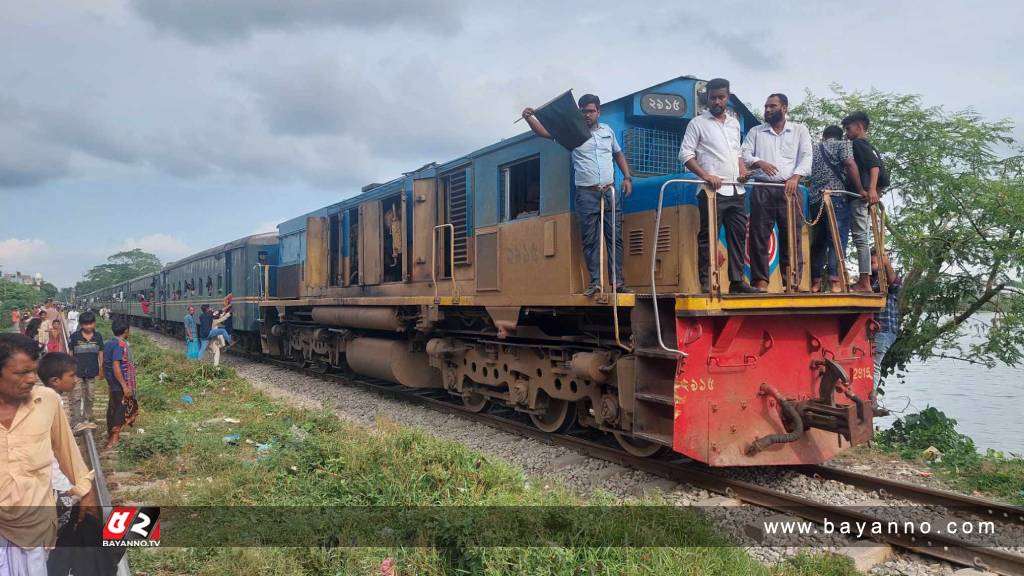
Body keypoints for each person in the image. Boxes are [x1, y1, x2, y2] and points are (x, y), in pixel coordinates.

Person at [0, 333, 98, 569]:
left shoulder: (47, 401)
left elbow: (66, 450)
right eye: (23, 372)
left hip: (36, 522)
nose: (33, 379)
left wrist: (86, 492)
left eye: (34, 371)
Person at [523, 93, 635, 296]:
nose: (587, 115)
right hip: (586, 194)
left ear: (598, 112)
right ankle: (595, 283)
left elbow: (618, 154)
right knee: (590, 240)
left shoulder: (608, 132)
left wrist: (627, 177)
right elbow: (543, 133)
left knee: (615, 238)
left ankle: (618, 283)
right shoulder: (571, 132)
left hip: (609, 191)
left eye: (591, 111)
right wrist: (529, 118)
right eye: (583, 111)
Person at [678, 77, 759, 294]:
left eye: (721, 97)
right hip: (712, 192)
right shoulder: (697, 123)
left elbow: (738, 153)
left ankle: (737, 281)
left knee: (739, 236)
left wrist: (742, 171)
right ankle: (706, 283)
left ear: (728, 98)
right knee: (708, 237)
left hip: (736, 190)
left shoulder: (734, 123)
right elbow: (685, 154)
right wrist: (706, 176)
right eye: (713, 98)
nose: (717, 102)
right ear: (707, 99)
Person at [741, 93, 813, 291]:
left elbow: (806, 157)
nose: (767, 110)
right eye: (766, 106)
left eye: (772, 106)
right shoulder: (756, 131)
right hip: (762, 187)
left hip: (789, 188)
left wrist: (795, 178)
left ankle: (791, 282)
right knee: (758, 235)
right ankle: (760, 282)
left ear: (784, 108)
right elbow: (744, 154)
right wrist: (759, 162)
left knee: (791, 236)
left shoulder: (799, 130)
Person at [809, 125, 861, 292]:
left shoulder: (813, 149)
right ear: (839, 136)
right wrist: (860, 189)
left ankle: (815, 282)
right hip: (836, 196)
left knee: (819, 242)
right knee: (837, 241)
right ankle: (835, 282)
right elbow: (850, 164)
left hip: (815, 199)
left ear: (824, 136)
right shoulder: (842, 144)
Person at [842, 110, 883, 292]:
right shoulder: (870, 146)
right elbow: (884, 174)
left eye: (848, 128)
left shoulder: (858, 144)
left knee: (860, 238)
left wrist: (871, 190)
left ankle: (864, 281)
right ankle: (864, 280)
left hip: (859, 197)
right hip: (865, 197)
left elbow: (874, 167)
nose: (847, 133)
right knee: (862, 237)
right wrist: (877, 191)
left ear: (859, 127)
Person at [102, 319, 139, 449]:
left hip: (112, 381)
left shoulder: (108, 344)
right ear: (126, 331)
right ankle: (114, 439)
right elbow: (116, 365)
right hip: (120, 382)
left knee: (113, 407)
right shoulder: (120, 345)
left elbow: (104, 363)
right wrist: (124, 385)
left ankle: (110, 435)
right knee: (120, 409)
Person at [871, 247, 901, 389]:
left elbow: (894, 283)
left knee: (874, 365)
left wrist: (886, 263)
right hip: (876, 329)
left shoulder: (887, 280)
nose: (871, 265)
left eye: (874, 262)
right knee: (870, 363)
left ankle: (871, 397)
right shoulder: (871, 280)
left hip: (884, 330)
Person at [68, 310, 103, 429]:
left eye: (90, 323)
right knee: (76, 396)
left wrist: (101, 367)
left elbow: (100, 353)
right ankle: (76, 421)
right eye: (85, 324)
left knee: (90, 396)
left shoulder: (98, 336)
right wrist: (70, 371)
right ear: (81, 325)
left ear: (94, 323)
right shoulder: (75, 337)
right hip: (77, 372)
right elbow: (70, 354)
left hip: (92, 371)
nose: (88, 326)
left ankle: (87, 417)